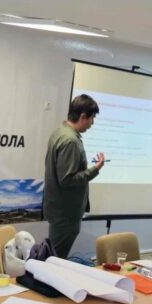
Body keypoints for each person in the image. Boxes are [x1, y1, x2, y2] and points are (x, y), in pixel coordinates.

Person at [42, 94, 106, 258]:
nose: (93, 123)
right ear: (83, 116)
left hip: (59, 211)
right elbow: (67, 179)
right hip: (65, 215)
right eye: (92, 118)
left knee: (53, 258)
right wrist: (95, 169)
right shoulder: (70, 141)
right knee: (54, 261)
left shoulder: (59, 133)